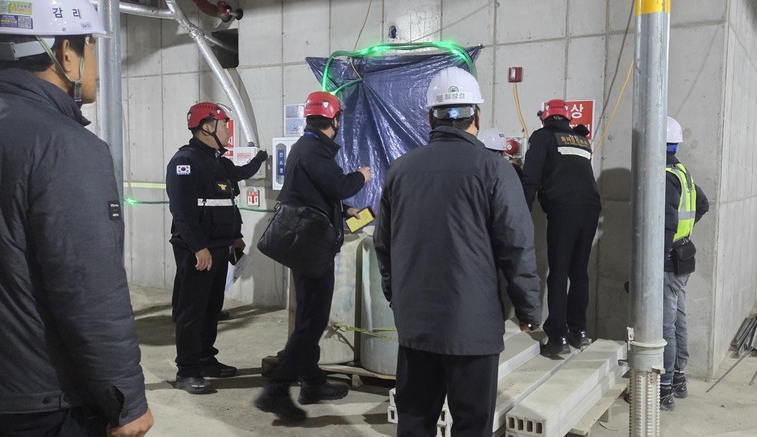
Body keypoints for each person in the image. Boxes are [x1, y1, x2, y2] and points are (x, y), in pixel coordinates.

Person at [0, 1, 153, 436]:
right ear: (65, 54)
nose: (93, 59)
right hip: (44, 398)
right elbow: (88, 287)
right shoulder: (65, 146)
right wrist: (126, 398)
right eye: (89, 45)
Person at [374, 66, 542, 437]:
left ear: (430, 118)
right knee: (471, 425)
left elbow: (383, 245)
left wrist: (397, 297)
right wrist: (528, 309)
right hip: (473, 328)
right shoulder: (495, 170)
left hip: (416, 324)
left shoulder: (400, 170)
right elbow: (516, 246)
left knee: (414, 421)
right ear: (476, 116)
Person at [254, 91, 371, 422]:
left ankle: (312, 382)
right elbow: (340, 186)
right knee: (312, 322)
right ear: (334, 120)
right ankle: (277, 391)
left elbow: (314, 194)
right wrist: (361, 176)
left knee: (309, 318)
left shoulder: (306, 148)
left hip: (307, 245)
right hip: (311, 249)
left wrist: (344, 211)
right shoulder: (313, 150)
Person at [166, 102, 268, 394]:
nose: (227, 131)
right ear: (206, 127)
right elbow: (182, 211)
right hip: (198, 250)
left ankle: (205, 359)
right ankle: (187, 371)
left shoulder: (217, 161)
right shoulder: (185, 161)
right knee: (192, 309)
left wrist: (235, 236)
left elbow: (226, 201)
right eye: (224, 125)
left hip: (220, 246)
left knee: (212, 308)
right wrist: (198, 248)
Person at [522, 99, 601, 356]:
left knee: (558, 271)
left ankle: (558, 337)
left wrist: (521, 212)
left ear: (545, 118)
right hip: (590, 208)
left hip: (564, 209)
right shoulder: (582, 141)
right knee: (579, 271)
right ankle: (579, 331)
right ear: (567, 119)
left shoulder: (542, 137)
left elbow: (531, 177)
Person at [660, 116, 709, 411]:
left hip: (668, 261)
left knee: (665, 325)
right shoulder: (682, 172)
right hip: (684, 255)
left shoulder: (665, 176)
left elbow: (666, 223)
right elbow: (702, 205)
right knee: (679, 318)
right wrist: (684, 234)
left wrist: (659, 256)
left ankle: (664, 387)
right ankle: (679, 377)